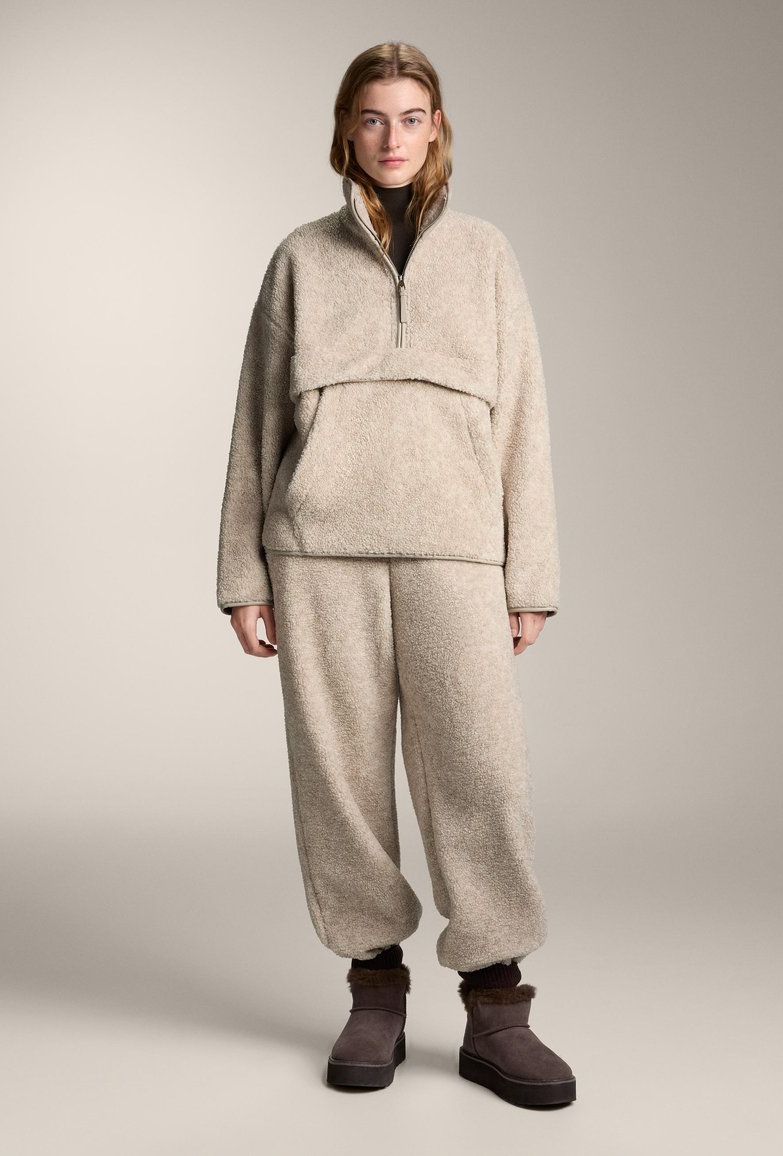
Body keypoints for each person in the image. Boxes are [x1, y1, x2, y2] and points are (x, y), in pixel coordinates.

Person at [216, 41, 576, 1109]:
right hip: (317, 552)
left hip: (454, 549)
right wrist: (242, 571)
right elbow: (255, 424)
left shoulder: (485, 256)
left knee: (479, 771)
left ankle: (497, 1006)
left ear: (436, 128)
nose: (391, 137)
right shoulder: (298, 259)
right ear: (346, 128)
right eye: (372, 117)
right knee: (338, 780)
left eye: (411, 117)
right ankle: (374, 990)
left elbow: (523, 418)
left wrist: (529, 571)